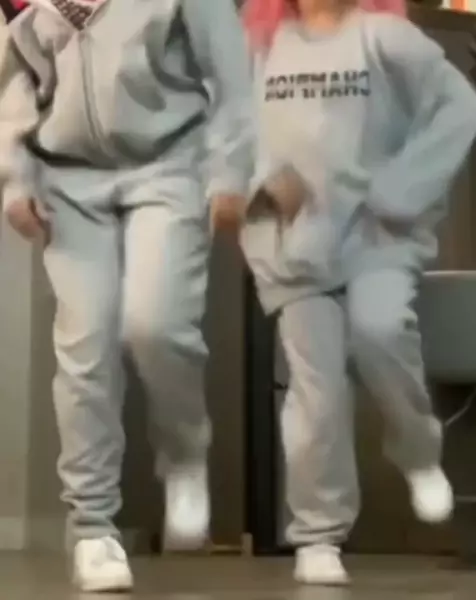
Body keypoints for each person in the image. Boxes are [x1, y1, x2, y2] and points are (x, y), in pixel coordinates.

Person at [0, 0, 253, 592]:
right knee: (85, 347)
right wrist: (15, 178)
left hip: (170, 166)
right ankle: (93, 529)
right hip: (67, 180)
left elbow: (230, 74)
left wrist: (231, 171)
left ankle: (184, 452)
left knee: (154, 326)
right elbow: (16, 84)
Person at [241, 0, 476, 586]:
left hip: (378, 238)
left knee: (381, 330)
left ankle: (417, 450)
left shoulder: (386, 39)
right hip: (298, 247)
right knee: (315, 391)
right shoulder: (261, 49)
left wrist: (401, 189)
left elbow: (460, 106)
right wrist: (263, 184)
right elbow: (230, 134)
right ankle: (318, 534)